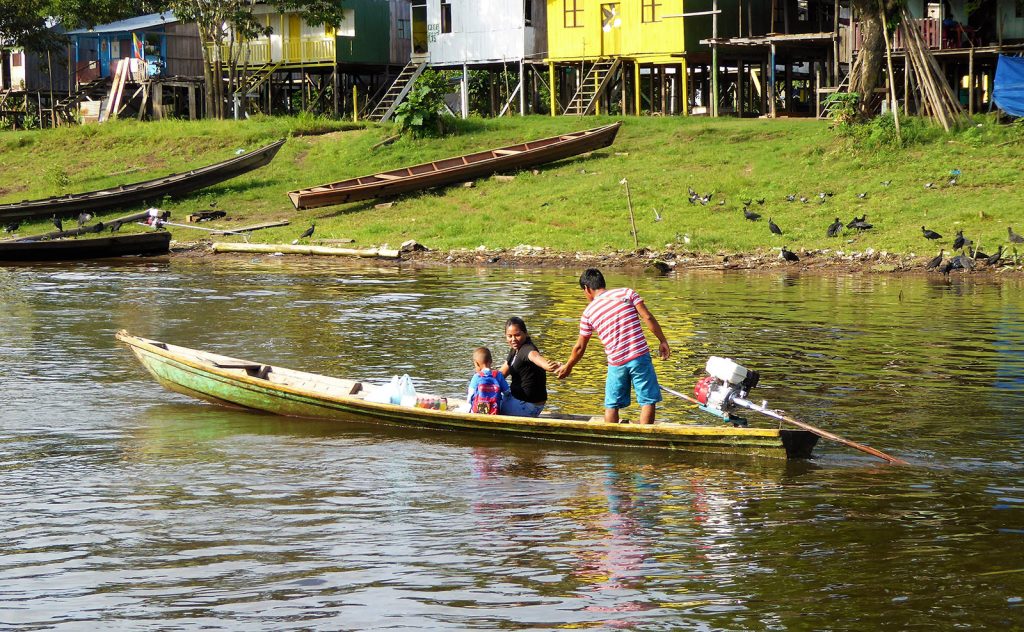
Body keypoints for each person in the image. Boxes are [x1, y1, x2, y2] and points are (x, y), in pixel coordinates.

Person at [556, 268, 670, 425]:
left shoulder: (588, 313)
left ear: (587, 289)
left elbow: (580, 347)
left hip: (616, 363)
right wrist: (662, 341)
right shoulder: (627, 293)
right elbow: (647, 317)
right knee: (647, 400)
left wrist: (569, 366)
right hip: (639, 356)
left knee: (611, 404)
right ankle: (645, 439)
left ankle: (610, 436)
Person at [499, 317, 560, 417]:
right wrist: (484, 377)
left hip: (529, 406)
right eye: (510, 336)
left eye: (517, 335)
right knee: (489, 398)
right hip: (518, 400)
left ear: (526, 333)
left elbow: (536, 357)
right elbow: (501, 374)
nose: (513, 339)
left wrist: (550, 366)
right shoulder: (515, 349)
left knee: (491, 407)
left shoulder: (528, 349)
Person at [467, 347, 511, 415]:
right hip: (495, 411)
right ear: (491, 361)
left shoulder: (477, 376)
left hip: (478, 412)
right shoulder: (498, 375)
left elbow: (470, 395)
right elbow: (507, 392)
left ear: (477, 364)